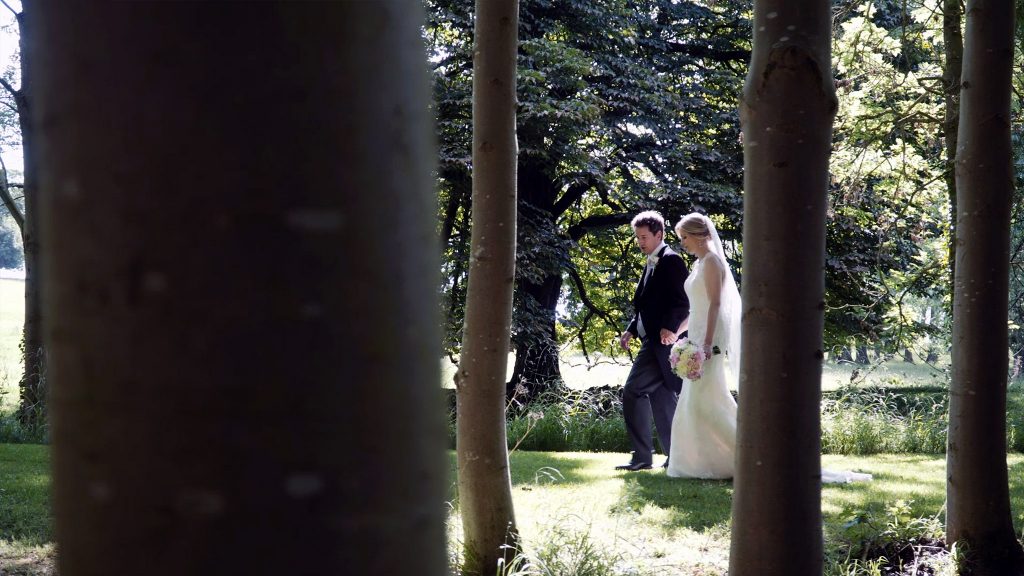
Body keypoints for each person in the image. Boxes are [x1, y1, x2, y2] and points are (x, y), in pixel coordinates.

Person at [666, 212, 872, 484]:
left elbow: (715, 304)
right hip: (696, 333)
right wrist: (679, 332)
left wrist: (706, 343)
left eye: (685, 237)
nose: (683, 243)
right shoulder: (699, 264)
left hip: (710, 337)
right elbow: (697, 306)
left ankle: (749, 455)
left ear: (700, 236)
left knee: (703, 400)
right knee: (699, 399)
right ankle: (705, 461)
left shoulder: (713, 263)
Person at [616, 211, 689, 471]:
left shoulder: (671, 261)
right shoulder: (651, 262)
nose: (640, 242)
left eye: (644, 237)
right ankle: (676, 457)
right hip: (653, 341)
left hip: (664, 342)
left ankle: (641, 457)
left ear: (659, 235)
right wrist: (631, 330)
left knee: (633, 391)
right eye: (637, 237)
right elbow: (646, 306)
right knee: (662, 398)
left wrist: (670, 328)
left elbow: (682, 302)